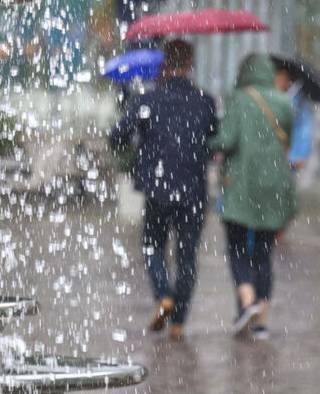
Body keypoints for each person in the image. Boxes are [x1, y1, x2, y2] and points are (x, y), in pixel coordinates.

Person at [110, 39, 218, 341]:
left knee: (152, 246)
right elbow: (213, 139)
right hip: (193, 189)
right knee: (187, 256)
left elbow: (116, 137)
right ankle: (179, 322)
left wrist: (141, 142)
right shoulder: (205, 101)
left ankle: (163, 296)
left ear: (163, 65)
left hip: (157, 188)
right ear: (190, 65)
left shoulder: (148, 101)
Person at [209, 53, 297, 340]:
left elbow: (226, 141)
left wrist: (207, 141)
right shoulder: (284, 102)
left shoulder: (240, 99)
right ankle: (260, 321)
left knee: (236, 247)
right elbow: (287, 141)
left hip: (243, 186)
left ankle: (247, 302)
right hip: (273, 185)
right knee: (263, 253)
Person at [273, 66, 314, 171]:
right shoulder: (275, 96)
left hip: (290, 156)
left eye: (281, 76)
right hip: (274, 153)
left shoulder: (298, 100)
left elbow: (305, 128)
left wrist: (301, 154)